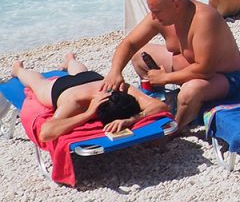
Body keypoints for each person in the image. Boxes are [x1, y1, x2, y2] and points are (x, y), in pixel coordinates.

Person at [103, 0, 240, 130]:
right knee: (139, 55)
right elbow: (129, 44)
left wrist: (165, 78)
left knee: (189, 91)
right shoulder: (161, 16)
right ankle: (158, 101)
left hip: (223, 77)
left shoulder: (204, 18)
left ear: (176, 4)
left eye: (156, 12)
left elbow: (205, 70)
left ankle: (175, 128)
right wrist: (115, 71)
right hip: (188, 67)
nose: (153, 17)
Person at [12, 54, 169, 142]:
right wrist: (87, 114)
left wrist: (132, 119)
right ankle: (18, 69)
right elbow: (46, 133)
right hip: (63, 88)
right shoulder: (75, 103)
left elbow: (160, 106)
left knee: (80, 74)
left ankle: (70, 60)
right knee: (38, 83)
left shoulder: (121, 89)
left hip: (93, 79)